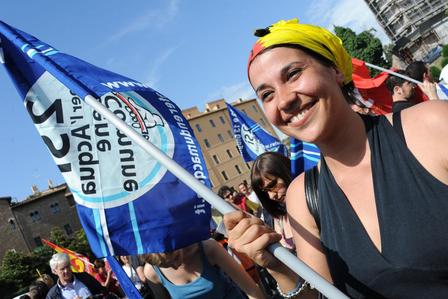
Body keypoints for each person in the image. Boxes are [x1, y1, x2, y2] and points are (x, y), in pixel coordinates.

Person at [224, 18, 448, 298]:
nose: (283, 100)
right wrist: (276, 265)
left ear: (334, 70)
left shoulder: (433, 125)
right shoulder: (302, 198)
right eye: (267, 94)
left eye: (293, 74)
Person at [143, 239, 265, 299]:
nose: (175, 267)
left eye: (175, 258)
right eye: (166, 266)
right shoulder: (151, 273)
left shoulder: (207, 248)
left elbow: (252, 290)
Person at [251, 152, 295, 253]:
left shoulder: (317, 199)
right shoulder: (272, 217)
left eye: (273, 185)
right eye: (266, 191)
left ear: (286, 172)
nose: (271, 196)